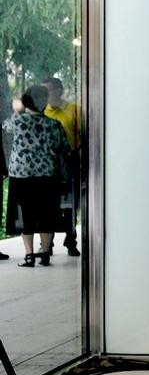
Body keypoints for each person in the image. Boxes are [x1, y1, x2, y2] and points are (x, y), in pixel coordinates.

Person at [3, 85, 70, 267]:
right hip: (47, 175)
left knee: (25, 214)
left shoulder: (18, 122)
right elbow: (63, 149)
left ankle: (29, 255)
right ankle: (45, 252)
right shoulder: (54, 124)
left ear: (26, 102)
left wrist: (18, 110)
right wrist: (64, 176)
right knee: (46, 212)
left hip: (21, 175)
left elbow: (5, 126)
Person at [42, 76, 81, 257]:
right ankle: (47, 244)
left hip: (70, 160)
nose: (45, 95)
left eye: (48, 90)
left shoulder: (73, 110)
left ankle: (71, 241)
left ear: (59, 91)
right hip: (49, 164)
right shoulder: (42, 112)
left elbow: (84, 135)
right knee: (49, 204)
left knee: (71, 204)